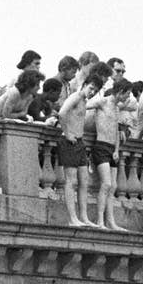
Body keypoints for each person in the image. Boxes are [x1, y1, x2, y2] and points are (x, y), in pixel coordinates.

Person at [53, 72, 102, 228]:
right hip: (69, 142)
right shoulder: (75, 97)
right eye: (91, 88)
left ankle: (84, 217)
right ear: (85, 84)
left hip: (79, 142)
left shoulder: (84, 101)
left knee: (84, 181)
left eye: (95, 90)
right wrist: (68, 134)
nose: (92, 92)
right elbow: (61, 113)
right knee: (70, 180)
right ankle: (72, 218)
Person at [87, 74, 133, 231]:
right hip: (100, 145)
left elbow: (115, 128)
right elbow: (84, 105)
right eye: (126, 94)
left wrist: (116, 149)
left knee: (113, 186)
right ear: (120, 91)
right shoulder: (103, 102)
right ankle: (100, 220)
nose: (127, 98)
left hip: (112, 148)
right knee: (106, 184)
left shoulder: (117, 107)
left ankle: (111, 221)